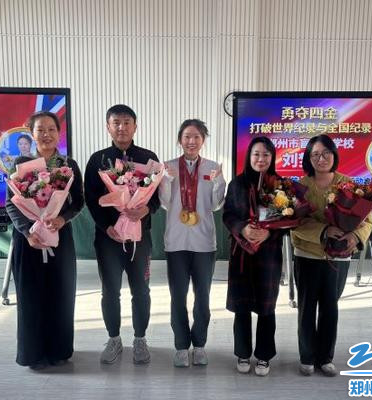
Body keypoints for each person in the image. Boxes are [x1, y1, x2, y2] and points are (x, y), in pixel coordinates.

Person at [5, 111, 84, 370]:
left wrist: (62, 218)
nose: (46, 134)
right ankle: (32, 354)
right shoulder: (21, 164)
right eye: (40, 130)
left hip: (59, 237)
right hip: (28, 241)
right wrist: (28, 232)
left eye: (51, 129)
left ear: (59, 132)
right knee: (30, 296)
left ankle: (59, 350)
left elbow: (78, 201)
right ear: (32, 133)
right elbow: (11, 203)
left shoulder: (68, 165)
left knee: (61, 294)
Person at [291, 134, 372, 377]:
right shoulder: (299, 187)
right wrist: (324, 230)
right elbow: (294, 223)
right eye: (315, 154)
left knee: (330, 308)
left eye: (326, 152)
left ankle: (325, 358)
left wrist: (355, 237)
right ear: (308, 158)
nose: (321, 158)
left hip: (338, 257)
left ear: (334, 154)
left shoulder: (348, 184)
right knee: (306, 308)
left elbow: (367, 221)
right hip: (307, 254)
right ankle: (307, 357)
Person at [84, 104, 160, 365]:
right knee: (110, 291)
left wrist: (146, 209)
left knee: (141, 290)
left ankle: (140, 339)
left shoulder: (149, 159)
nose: (122, 127)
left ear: (135, 126)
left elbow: (157, 196)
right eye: (116, 122)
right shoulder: (98, 160)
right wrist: (107, 227)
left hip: (140, 238)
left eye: (127, 122)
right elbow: (91, 199)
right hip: (108, 239)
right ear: (108, 127)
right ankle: (114, 339)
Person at [159, 119, 226, 367]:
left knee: (202, 298)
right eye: (187, 136)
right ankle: (180, 346)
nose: (191, 141)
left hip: (203, 242)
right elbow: (165, 202)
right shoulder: (168, 167)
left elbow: (216, 204)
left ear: (203, 140)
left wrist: (218, 182)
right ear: (180, 140)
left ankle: (199, 345)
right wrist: (166, 180)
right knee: (178, 297)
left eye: (196, 137)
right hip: (176, 241)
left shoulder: (212, 167)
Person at [222, 136, 285, 377]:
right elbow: (227, 215)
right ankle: (242, 352)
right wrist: (242, 229)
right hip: (241, 254)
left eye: (266, 154)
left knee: (267, 307)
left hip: (268, 255)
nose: (261, 159)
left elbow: (288, 221)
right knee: (242, 306)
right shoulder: (236, 184)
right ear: (249, 156)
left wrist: (269, 234)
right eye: (256, 154)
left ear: (272, 157)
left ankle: (264, 356)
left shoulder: (281, 185)